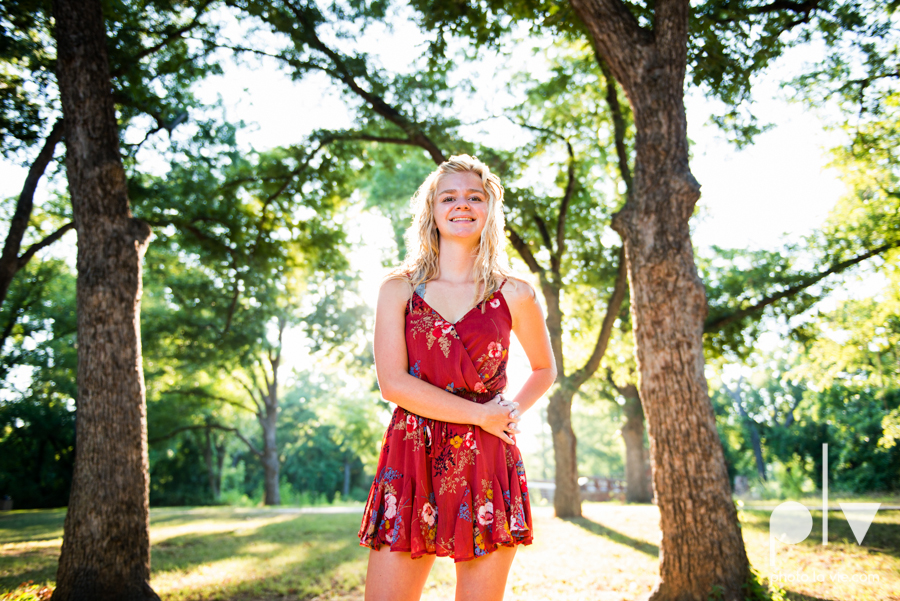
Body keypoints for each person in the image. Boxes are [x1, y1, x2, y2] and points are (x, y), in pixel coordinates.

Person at [358, 154, 557, 601]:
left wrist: (507, 413)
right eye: (449, 197)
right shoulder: (399, 288)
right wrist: (480, 415)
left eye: (474, 197)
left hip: (488, 456)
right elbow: (393, 383)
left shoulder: (515, 292)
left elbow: (545, 370)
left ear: (490, 209)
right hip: (412, 453)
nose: (461, 205)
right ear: (431, 209)